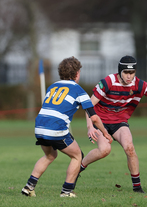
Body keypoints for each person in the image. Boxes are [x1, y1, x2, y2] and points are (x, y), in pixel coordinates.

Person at [79, 55, 147, 193]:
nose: (129, 76)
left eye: (132, 73)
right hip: (100, 122)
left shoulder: (139, 84)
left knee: (130, 148)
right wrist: (90, 127)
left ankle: (137, 187)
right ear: (120, 71)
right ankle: (79, 167)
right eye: (126, 73)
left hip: (119, 122)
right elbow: (89, 105)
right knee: (104, 150)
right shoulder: (108, 82)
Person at [21, 56, 113, 198]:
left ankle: (29, 187)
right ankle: (66, 191)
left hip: (39, 126)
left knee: (50, 155)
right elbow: (94, 117)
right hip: (56, 128)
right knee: (77, 156)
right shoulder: (79, 90)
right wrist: (105, 133)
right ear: (77, 73)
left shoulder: (52, 86)